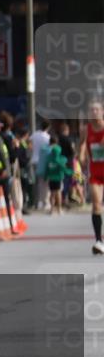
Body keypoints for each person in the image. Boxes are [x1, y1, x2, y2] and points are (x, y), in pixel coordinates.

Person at [80, 101, 104, 255]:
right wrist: (81, 159)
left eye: (97, 109)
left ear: (102, 112)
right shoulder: (86, 130)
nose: (94, 112)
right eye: (91, 110)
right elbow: (81, 146)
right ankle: (98, 241)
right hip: (95, 173)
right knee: (96, 205)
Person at [44, 135, 71, 216]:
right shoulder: (61, 159)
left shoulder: (49, 159)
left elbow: (47, 169)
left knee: (52, 194)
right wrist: (70, 172)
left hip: (51, 179)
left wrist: (45, 177)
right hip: (58, 178)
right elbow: (64, 169)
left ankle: (52, 210)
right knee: (58, 193)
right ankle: (59, 209)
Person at [31, 119, 51, 209]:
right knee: (45, 182)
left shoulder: (35, 134)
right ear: (48, 127)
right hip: (43, 161)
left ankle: (37, 201)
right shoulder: (47, 137)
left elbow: (29, 143)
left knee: (37, 182)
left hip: (34, 160)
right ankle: (45, 201)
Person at [58, 122, 76, 204]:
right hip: (68, 161)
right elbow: (72, 150)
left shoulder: (58, 139)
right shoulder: (69, 139)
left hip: (60, 161)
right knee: (67, 180)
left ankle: (61, 198)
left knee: (61, 179)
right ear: (66, 130)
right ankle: (64, 198)